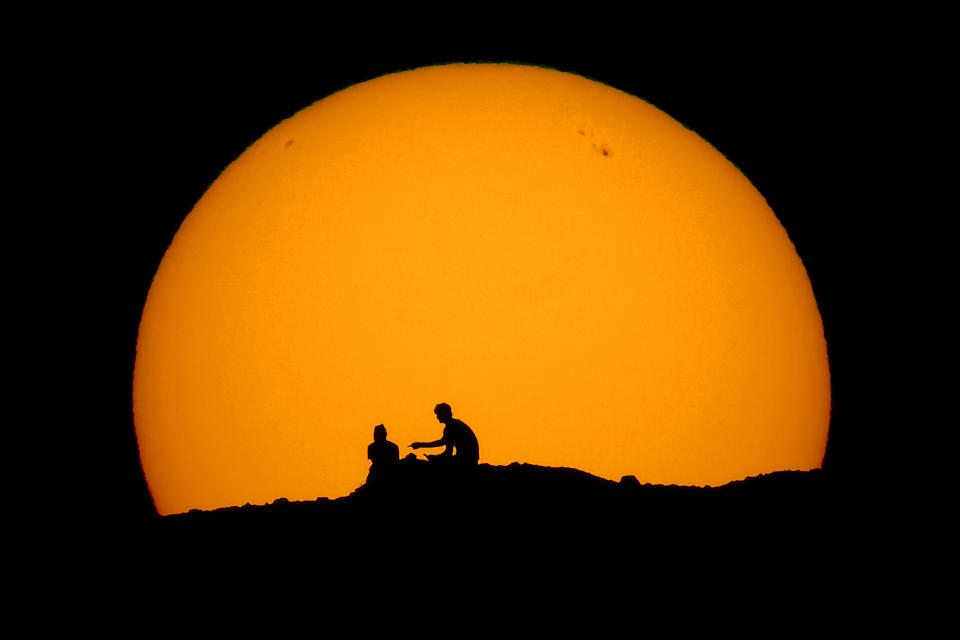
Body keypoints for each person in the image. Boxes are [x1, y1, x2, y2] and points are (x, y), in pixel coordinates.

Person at [410, 403, 479, 467]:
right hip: (470, 458)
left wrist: (435, 457)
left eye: (438, 414)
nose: (437, 417)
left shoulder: (451, 427)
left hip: (466, 460)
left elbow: (446, 450)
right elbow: (446, 448)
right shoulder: (455, 424)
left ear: (443, 414)